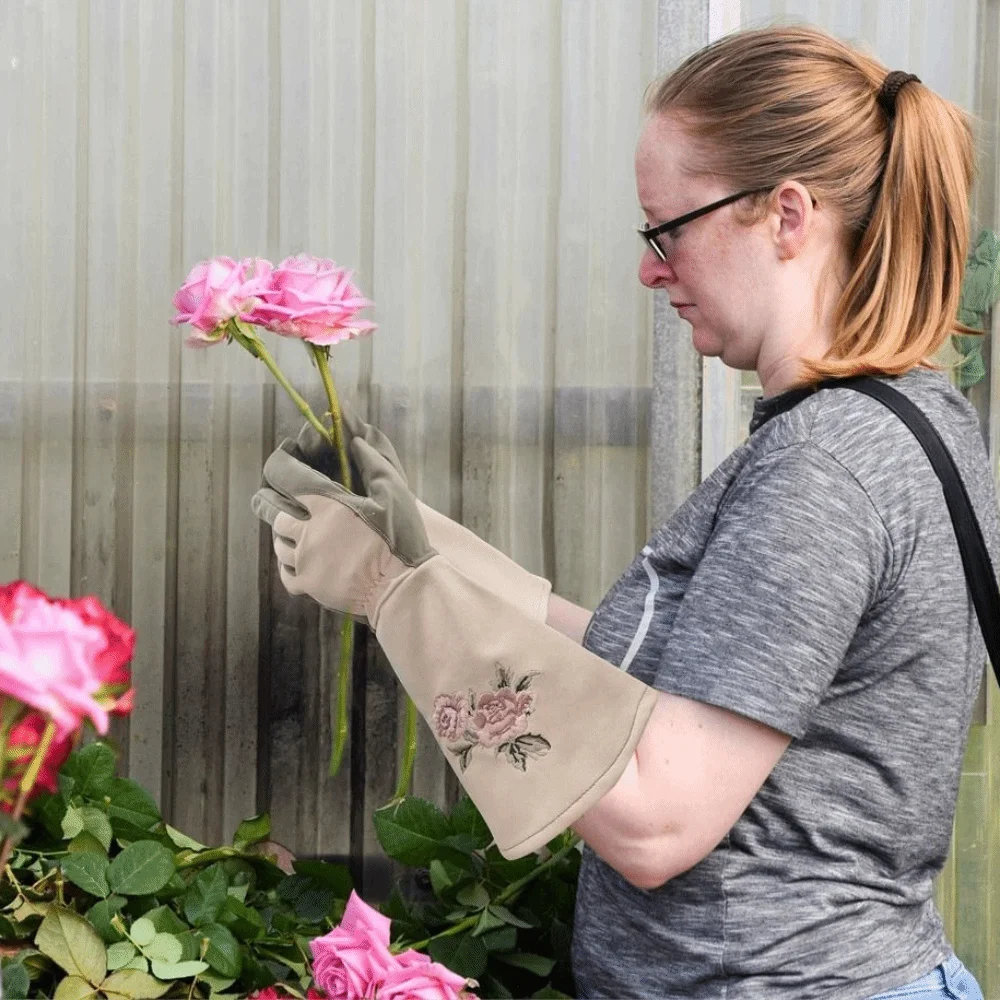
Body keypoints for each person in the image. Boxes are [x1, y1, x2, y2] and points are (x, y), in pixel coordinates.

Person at [252, 24, 997, 1000]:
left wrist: (400, 597)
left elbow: (654, 818)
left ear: (784, 216)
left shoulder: (822, 466)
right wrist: (442, 557)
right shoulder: (901, 414)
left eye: (668, 227)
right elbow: (698, 686)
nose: (651, 270)